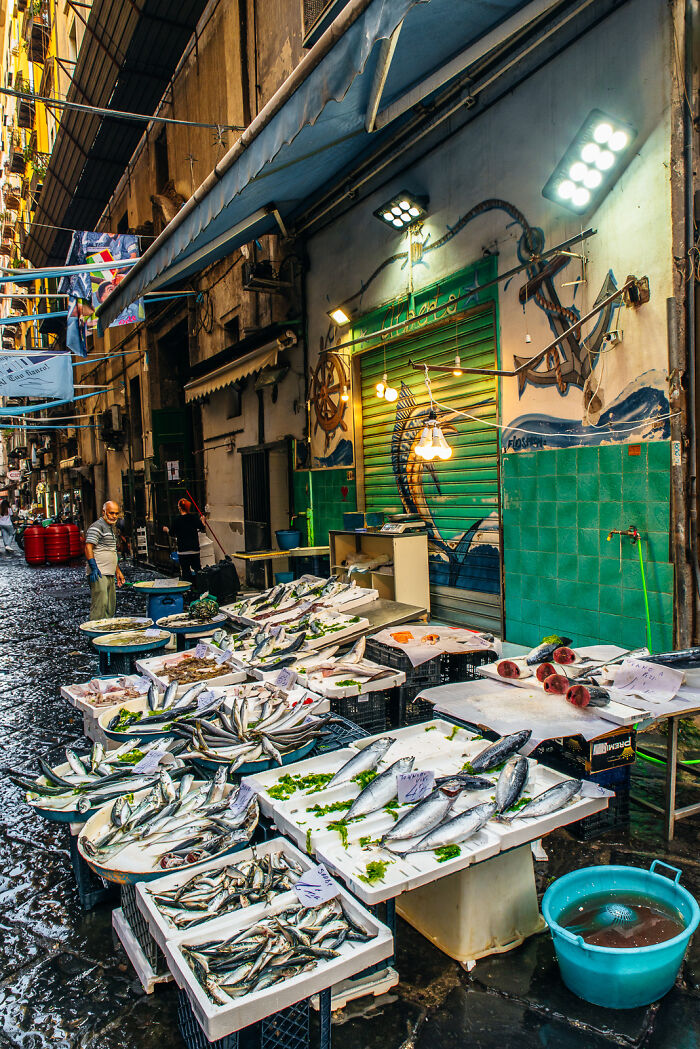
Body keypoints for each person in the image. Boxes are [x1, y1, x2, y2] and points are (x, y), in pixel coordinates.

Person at [85, 500, 125, 619]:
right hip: (99, 572)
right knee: (100, 606)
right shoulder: (97, 526)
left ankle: (105, 635)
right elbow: (88, 546)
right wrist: (93, 567)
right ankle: (94, 635)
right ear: (104, 512)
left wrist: (117, 571)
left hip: (109, 572)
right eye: (111, 513)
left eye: (116, 513)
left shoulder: (111, 528)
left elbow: (111, 551)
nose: (114, 516)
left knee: (110, 607)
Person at [163, 499, 205, 582]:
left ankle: (188, 590)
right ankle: (200, 588)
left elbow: (171, 533)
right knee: (197, 570)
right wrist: (203, 520)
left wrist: (166, 529)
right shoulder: (193, 518)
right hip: (194, 550)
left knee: (186, 572)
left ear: (180, 508)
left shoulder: (177, 520)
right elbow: (202, 527)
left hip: (183, 551)